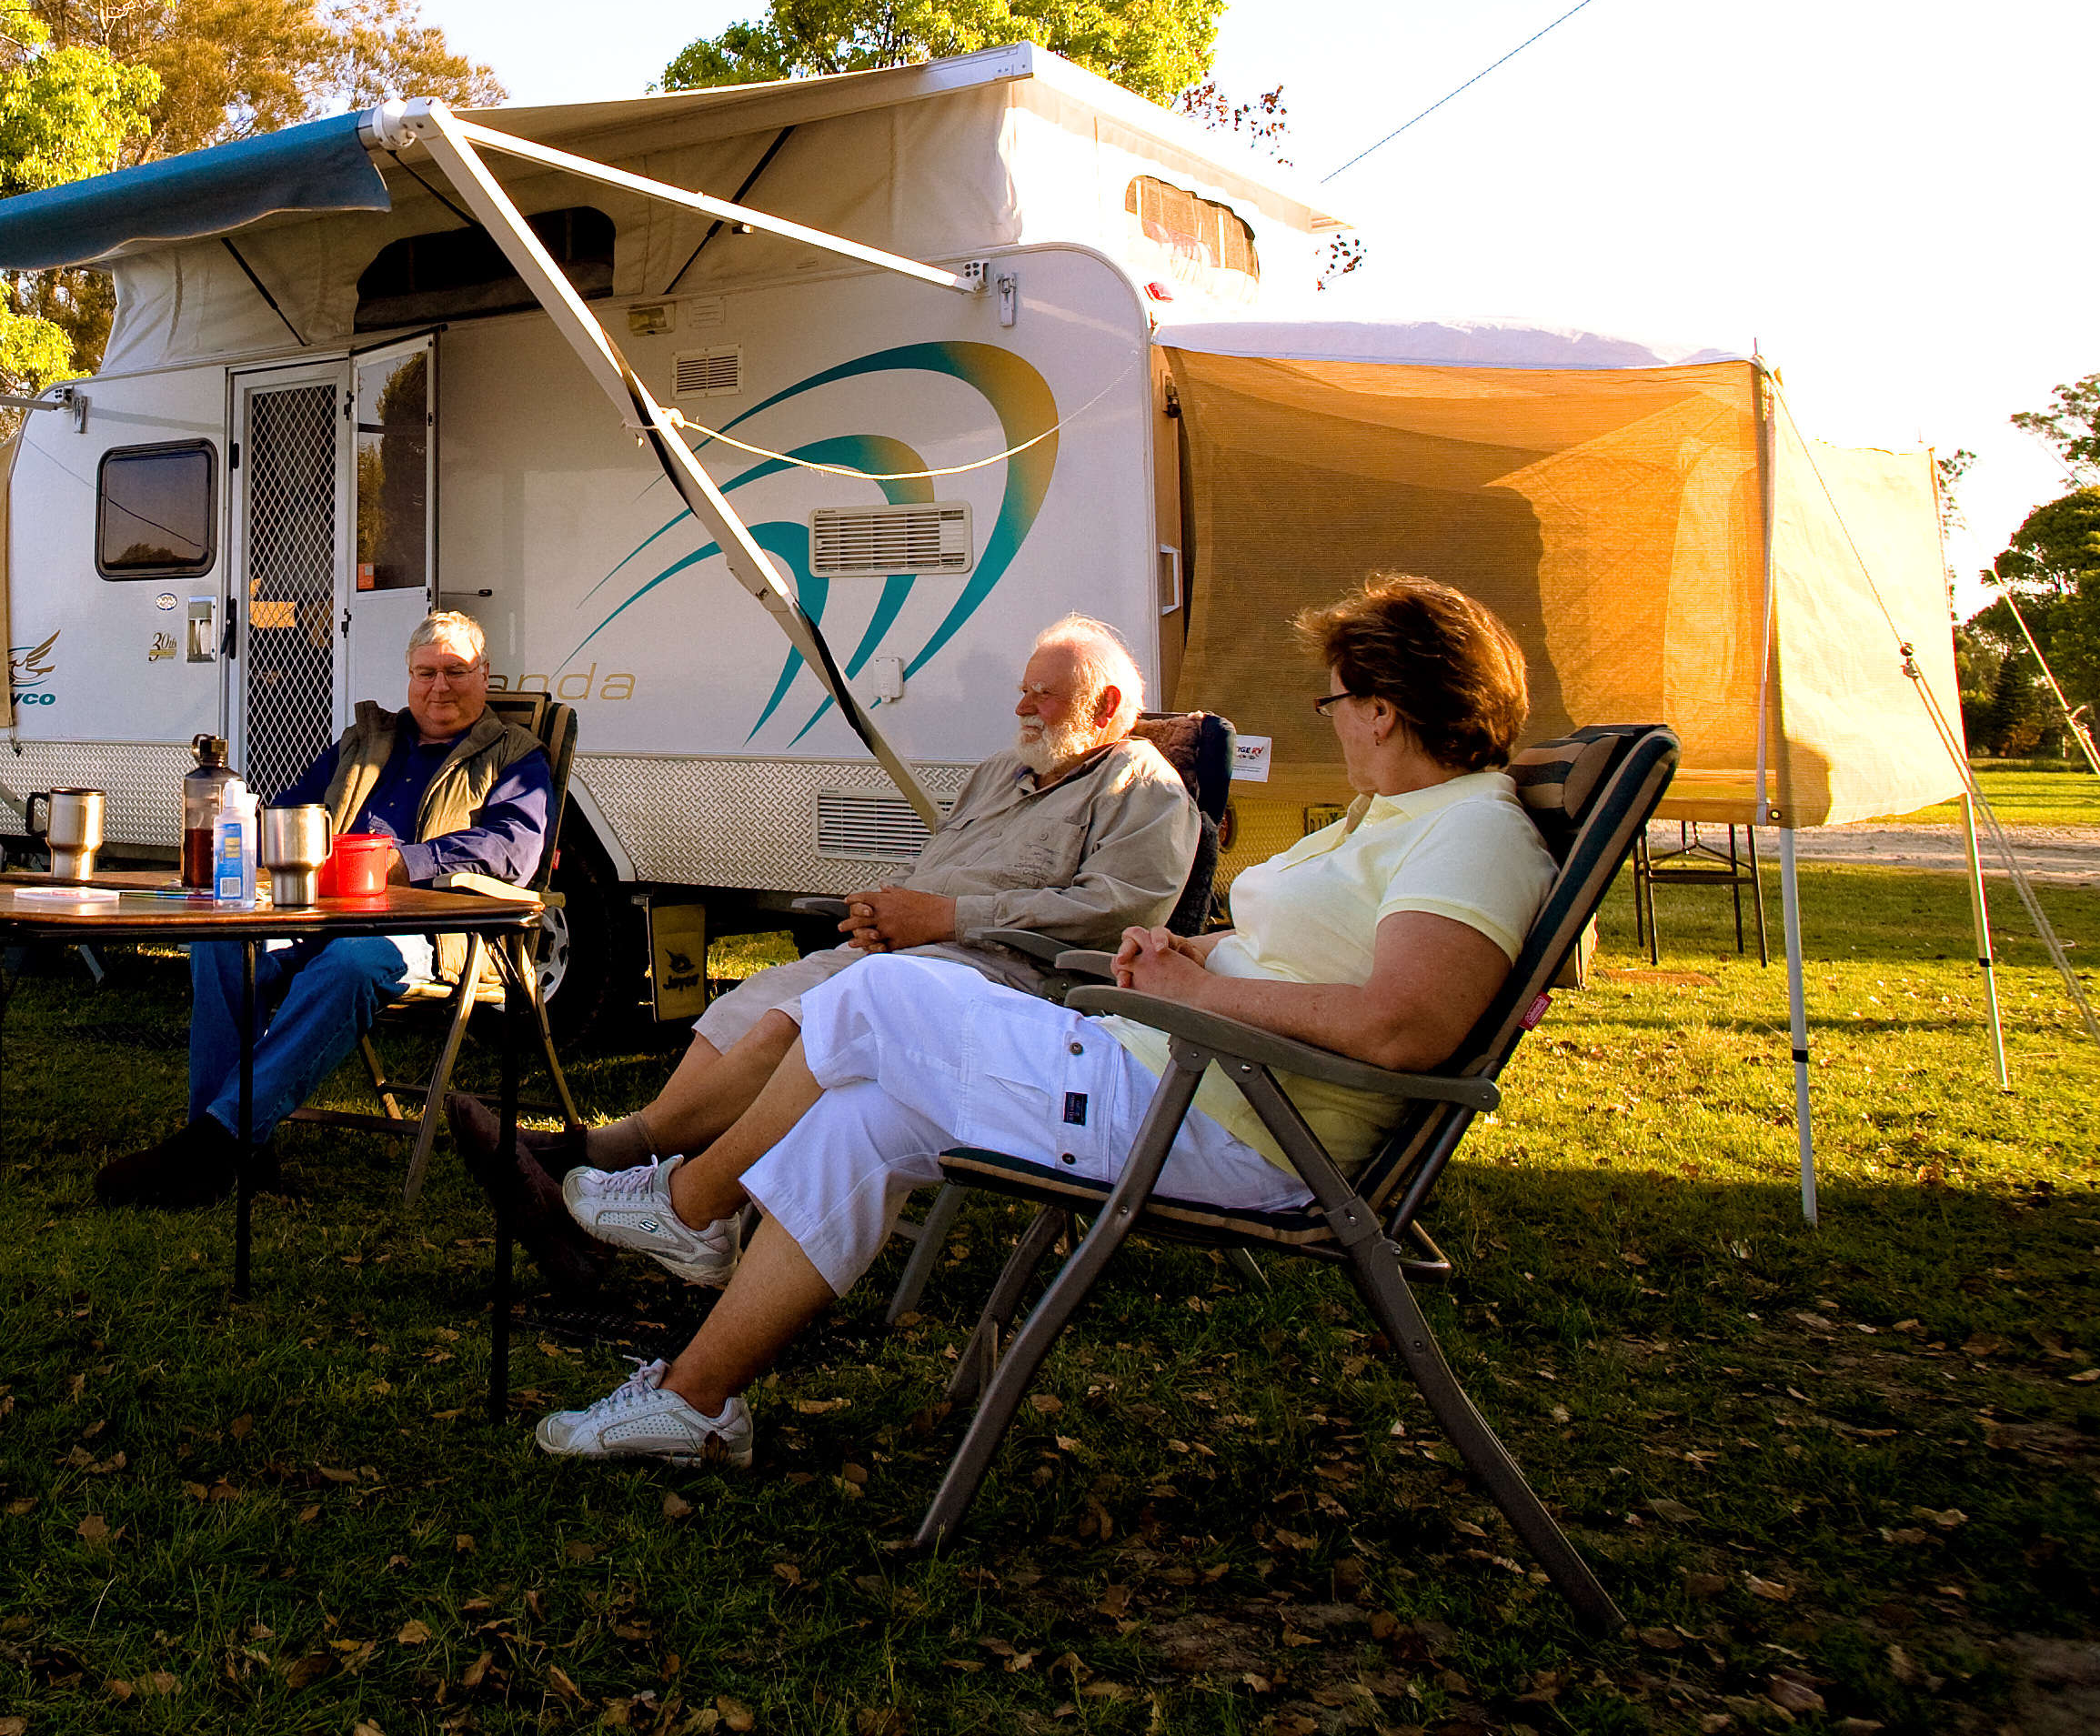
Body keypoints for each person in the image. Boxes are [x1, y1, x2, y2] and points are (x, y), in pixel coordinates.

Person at [532, 572, 1550, 1468]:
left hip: (1235, 1127)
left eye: (1335, 700)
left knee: (876, 997)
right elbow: (1309, 956)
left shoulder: (1475, 833)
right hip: (1170, 1073)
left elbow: (1403, 1028)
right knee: (859, 1119)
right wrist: (1191, 954)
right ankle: (695, 1402)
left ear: (1384, 708)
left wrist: (1201, 994)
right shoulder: (1395, 817)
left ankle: (691, 1205)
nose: (1331, 720)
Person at [447, 616, 1198, 1289]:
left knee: (801, 1023)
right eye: (1023, 690)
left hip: (1009, 980)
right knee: (746, 1006)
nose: (1023, 708)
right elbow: (936, 869)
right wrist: (887, 910)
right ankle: (629, 1194)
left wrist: (948, 916)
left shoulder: (1145, 792)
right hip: (916, 955)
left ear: (1105, 706)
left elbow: (1115, 915)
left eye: (1044, 695)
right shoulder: (1003, 773)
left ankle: (604, 1161)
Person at [93, 608, 552, 1208]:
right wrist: (245, 837)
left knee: (352, 964)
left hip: (434, 928)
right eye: (426, 672)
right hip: (320, 910)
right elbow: (291, 812)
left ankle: (213, 1145)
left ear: (484, 675)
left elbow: (512, 850)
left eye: (456, 671)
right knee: (222, 940)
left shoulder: (514, 754)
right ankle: (234, 1145)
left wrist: (403, 862)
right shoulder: (366, 743)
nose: (440, 687)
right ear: (409, 677)